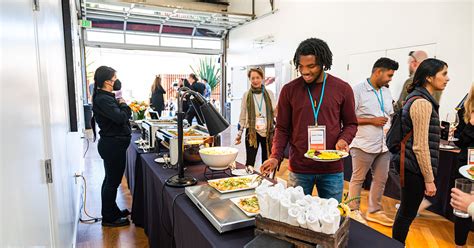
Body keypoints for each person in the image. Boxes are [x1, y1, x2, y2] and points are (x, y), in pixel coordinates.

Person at [260, 38, 358, 201]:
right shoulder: (289, 90)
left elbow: (351, 124)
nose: (305, 71)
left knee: (332, 217)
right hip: (299, 168)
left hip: (331, 169)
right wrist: (275, 156)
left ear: (323, 64)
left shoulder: (342, 88)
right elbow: (282, 128)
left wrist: (343, 139)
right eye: (301, 66)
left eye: (311, 66)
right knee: (295, 217)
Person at [392, 58, 449, 244]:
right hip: (412, 167)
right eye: (444, 74)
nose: (447, 78)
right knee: (406, 214)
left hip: (410, 165)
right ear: (430, 77)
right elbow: (420, 146)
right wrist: (429, 179)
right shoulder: (422, 103)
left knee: (405, 212)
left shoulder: (418, 98)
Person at [348, 58, 399, 226]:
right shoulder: (357, 90)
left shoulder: (386, 91)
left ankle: (374, 211)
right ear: (378, 72)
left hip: (383, 145)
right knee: (358, 179)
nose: (391, 79)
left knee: (381, 179)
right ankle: (352, 211)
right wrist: (371, 121)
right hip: (363, 144)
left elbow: (388, 113)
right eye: (389, 75)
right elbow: (348, 118)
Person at [91, 66, 132, 227]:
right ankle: (109, 217)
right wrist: (123, 103)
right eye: (114, 79)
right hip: (113, 145)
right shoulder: (104, 99)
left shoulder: (106, 97)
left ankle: (112, 210)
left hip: (114, 144)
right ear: (107, 81)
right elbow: (121, 117)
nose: (116, 81)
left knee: (110, 180)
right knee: (112, 182)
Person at [235, 67, 276, 172]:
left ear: (262, 78)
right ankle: (249, 181)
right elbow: (243, 115)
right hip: (251, 132)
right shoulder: (246, 95)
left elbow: (275, 112)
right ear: (249, 79)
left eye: (257, 77)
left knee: (267, 160)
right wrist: (239, 134)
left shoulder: (269, 93)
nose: (255, 80)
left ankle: (266, 183)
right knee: (250, 161)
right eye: (252, 78)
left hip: (267, 132)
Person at [451, 83, 474, 248]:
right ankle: (460, 244)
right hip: (465, 166)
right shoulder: (465, 108)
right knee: (462, 207)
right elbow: (459, 140)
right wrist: (471, 124)